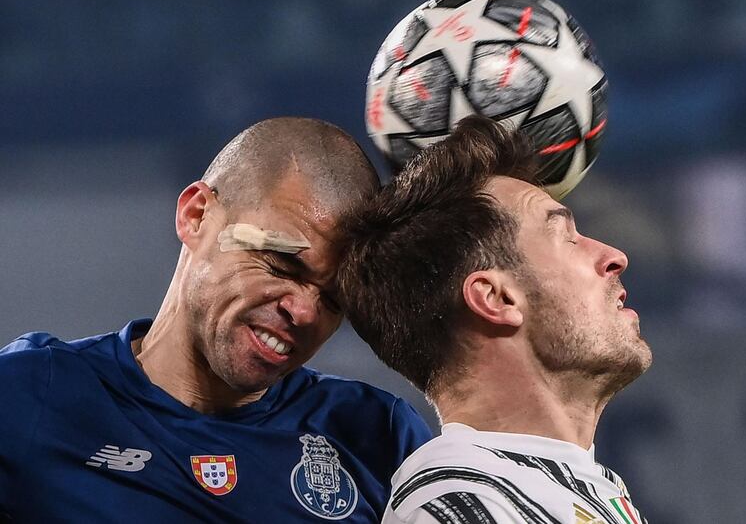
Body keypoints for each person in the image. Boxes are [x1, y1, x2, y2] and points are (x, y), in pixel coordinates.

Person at [0, 117, 432, 523]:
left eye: (335, 301)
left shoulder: (378, 436)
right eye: (281, 265)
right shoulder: (29, 394)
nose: (303, 312)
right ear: (197, 216)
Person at [337, 115, 652, 524]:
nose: (614, 257)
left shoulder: (579, 489)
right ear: (496, 298)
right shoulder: (459, 506)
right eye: (567, 238)